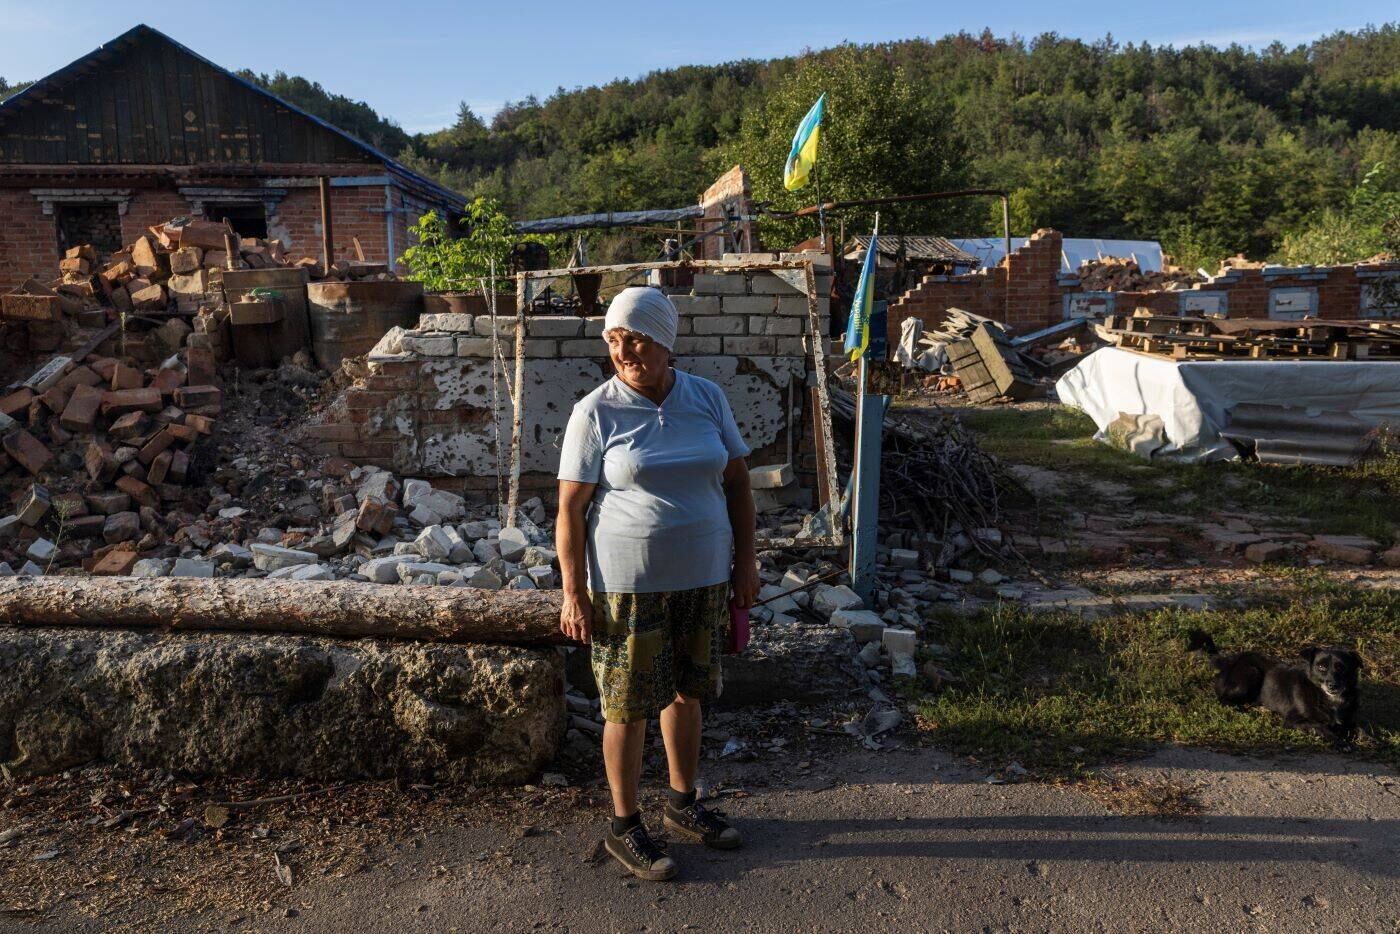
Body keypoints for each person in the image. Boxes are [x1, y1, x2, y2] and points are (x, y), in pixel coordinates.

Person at [556, 286, 758, 882]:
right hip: (626, 585)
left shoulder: (706, 397)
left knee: (686, 692)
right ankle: (623, 824)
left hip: (703, 578)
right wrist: (573, 592)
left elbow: (739, 485)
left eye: (636, 338)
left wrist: (745, 562)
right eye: (615, 340)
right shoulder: (595, 411)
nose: (624, 351)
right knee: (624, 705)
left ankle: (682, 802)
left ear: (666, 341)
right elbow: (569, 511)